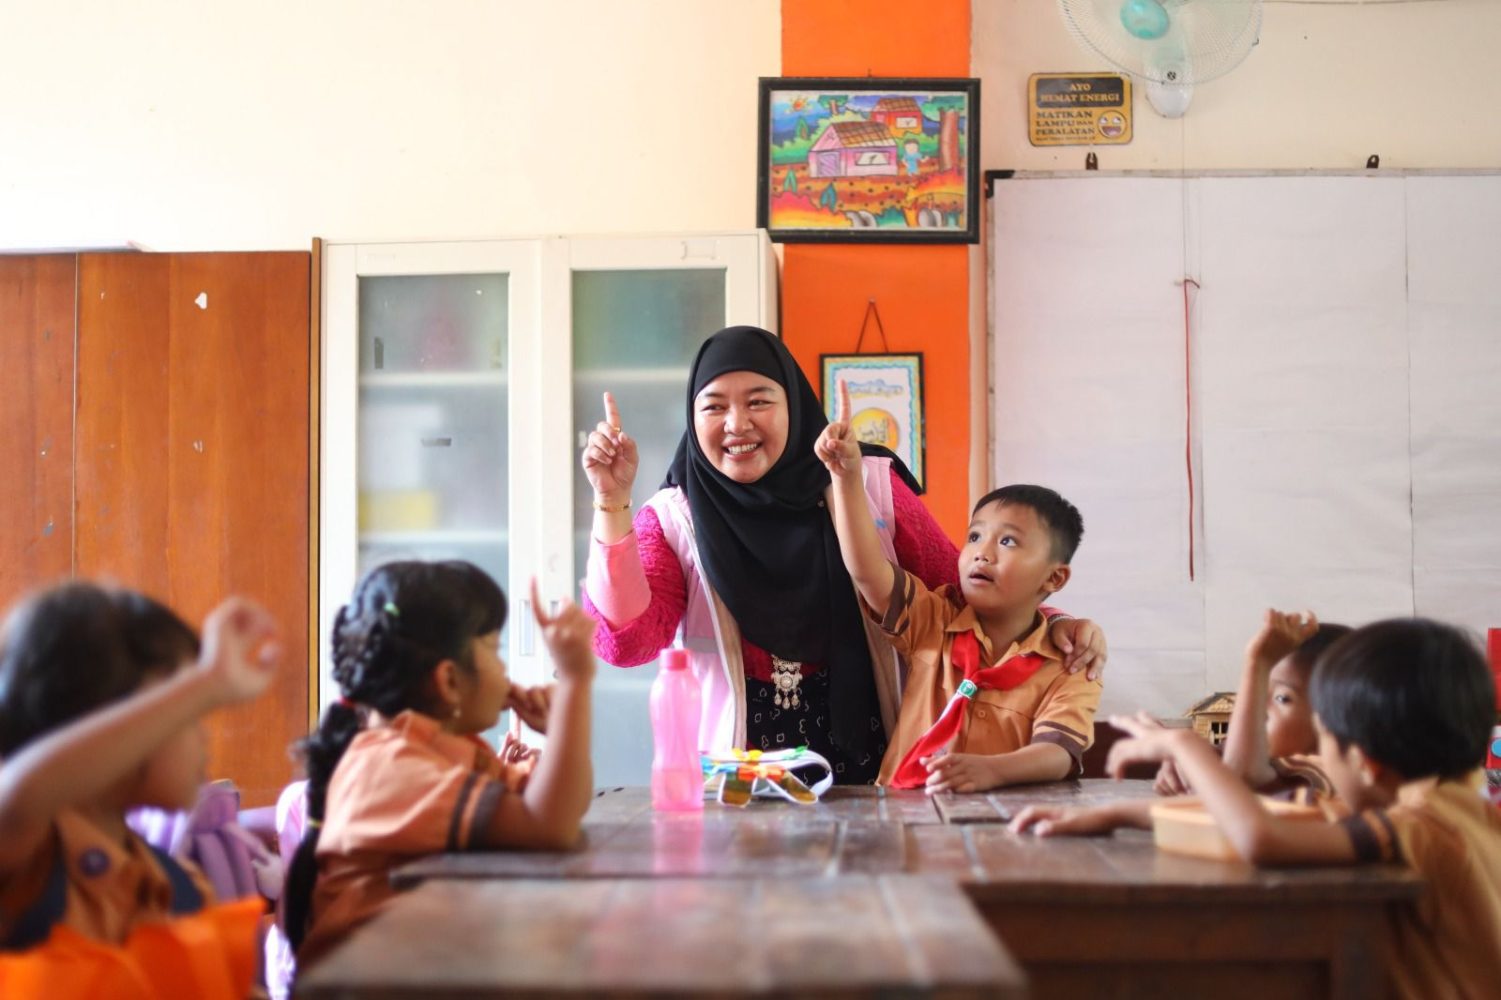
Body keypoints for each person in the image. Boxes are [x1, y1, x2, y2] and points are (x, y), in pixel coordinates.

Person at [580, 325, 1107, 784]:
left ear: (794, 403)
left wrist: (1053, 622)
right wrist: (610, 501)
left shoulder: (869, 485)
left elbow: (960, 595)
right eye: (714, 406)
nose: (736, 424)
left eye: (759, 401)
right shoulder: (674, 519)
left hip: (873, 758)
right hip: (737, 773)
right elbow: (627, 643)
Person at [1026, 618, 1501, 1000]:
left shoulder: (1424, 825)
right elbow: (1265, 816)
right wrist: (1109, 817)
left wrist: (1184, 744)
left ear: (1366, 764)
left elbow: (1262, 838)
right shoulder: (1455, 804)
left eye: (1328, 739)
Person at [284, 562, 594, 966]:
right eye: (495, 651)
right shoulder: (388, 764)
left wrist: (559, 731)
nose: (505, 671)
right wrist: (575, 682)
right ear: (449, 681)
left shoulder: (443, 749)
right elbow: (550, 828)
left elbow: (565, 812)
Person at [0, 582, 278, 988]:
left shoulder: (180, 884)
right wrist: (207, 682)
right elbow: (18, 798)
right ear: (100, 721)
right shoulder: (29, 865)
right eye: (180, 711)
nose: (203, 737)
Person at [818, 391, 1097, 792]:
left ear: (1054, 579)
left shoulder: (1069, 662)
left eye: (1008, 543)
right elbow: (867, 572)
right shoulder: (935, 620)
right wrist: (845, 479)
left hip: (1003, 829)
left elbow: (1059, 752)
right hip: (902, 821)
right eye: (975, 536)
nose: (982, 553)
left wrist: (993, 771)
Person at [1154, 610, 1351, 798]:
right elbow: (1217, 755)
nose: (1257, 708)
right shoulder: (1269, 757)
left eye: (1282, 698)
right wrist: (1181, 761)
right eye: (1258, 691)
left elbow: (1238, 781)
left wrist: (1258, 661)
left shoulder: (1327, 772)